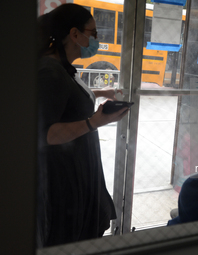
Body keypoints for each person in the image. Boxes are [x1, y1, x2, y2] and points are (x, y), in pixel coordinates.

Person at [37, 4, 128, 247]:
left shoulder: (62, 67)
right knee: (68, 237)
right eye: (94, 33)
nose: (96, 40)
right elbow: (45, 133)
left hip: (77, 168)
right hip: (64, 178)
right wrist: (95, 122)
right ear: (75, 34)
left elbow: (66, 99)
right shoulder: (50, 71)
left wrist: (99, 92)